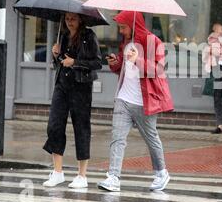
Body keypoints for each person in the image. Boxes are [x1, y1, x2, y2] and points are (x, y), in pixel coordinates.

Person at [97, 11, 173, 192]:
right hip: (123, 98)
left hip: (144, 101)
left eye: (123, 27)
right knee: (117, 138)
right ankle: (113, 177)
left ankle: (161, 173)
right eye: (120, 28)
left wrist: (137, 59)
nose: (121, 31)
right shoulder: (126, 42)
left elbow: (159, 69)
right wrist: (116, 62)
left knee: (151, 138)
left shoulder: (153, 41)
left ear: (133, 24)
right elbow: (123, 67)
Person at [42, 12, 102, 188]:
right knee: (54, 126)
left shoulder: (88, 36)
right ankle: (58, 172)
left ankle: (82, 175)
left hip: (81, 87)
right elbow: (59, 63)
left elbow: (97, 63)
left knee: (81, 128)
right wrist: (56, 55)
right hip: (62, 85)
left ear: (80, 19)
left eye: (73, 18)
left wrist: (75, 62)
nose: (69, 22)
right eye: (67, 19)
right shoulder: (63, 36)